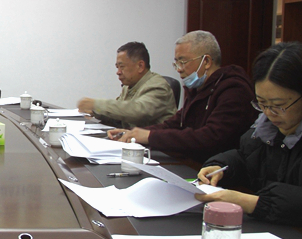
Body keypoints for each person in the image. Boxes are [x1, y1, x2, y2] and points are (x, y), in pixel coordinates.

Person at [108, 31, 256, 164]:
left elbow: (210, 138)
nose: (179, 69)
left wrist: (150, 136)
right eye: (176, 62)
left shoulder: (234, 90)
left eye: (183, 62)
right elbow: (175, 124)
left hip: (216, 170)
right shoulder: (199, 89)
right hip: (192, 162)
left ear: (206, 62)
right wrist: (133, 133)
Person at [196, 42, 302, 226]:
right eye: (262, 103)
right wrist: (220, 167)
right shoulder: (263, 130)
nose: (269, 113)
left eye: (278, 105)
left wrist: (250, 202)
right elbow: (246, 159)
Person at [77, 42, 176, 129]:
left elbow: (137, 112)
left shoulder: (158, 86)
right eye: (117, 67)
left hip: (153, 143)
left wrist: (96, 104)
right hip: (132, 139)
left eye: (122, 67)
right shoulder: (129, 86)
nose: (118, 72)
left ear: (140, 66)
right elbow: (118, 113)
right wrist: (94, 111)